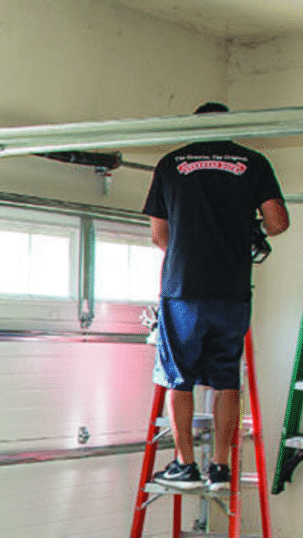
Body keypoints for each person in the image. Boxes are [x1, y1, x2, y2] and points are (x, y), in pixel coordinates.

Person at [143, 102, 289, 490]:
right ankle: (220, 467)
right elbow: (277, 224)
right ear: (232, 126)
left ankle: (185, 464)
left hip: (184, 289)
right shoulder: (253, 163)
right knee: (226, 380)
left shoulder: (171, 163)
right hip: (232, 289)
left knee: (179, 379)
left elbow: (159, 235)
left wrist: (190, 251)